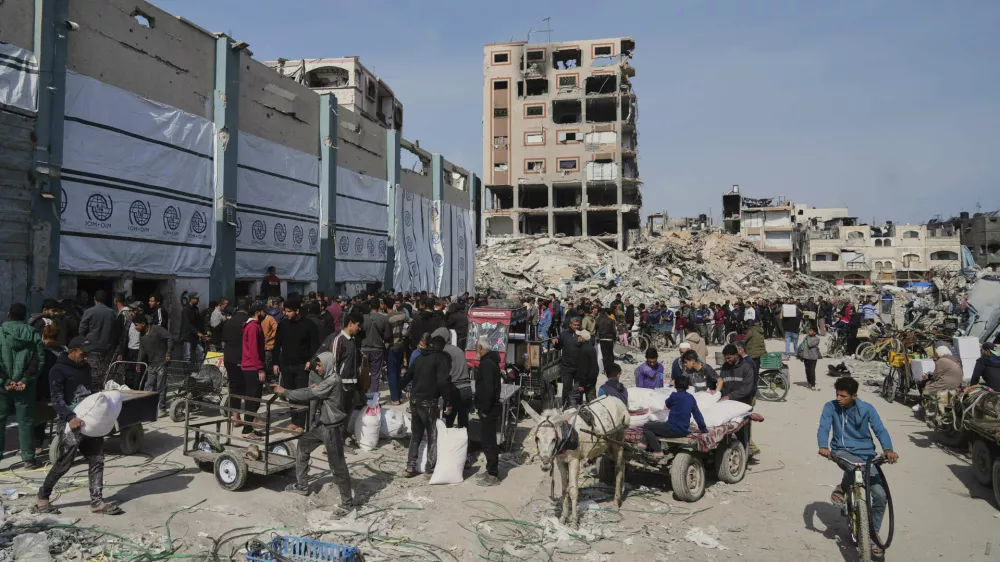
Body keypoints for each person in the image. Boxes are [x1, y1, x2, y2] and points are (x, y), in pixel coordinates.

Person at [35, 336, 124, 515]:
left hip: (89, 421)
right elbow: (57, 398)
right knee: (64, 463)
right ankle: (42, 498)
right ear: (71, 352)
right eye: (83, 354)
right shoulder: (57, 370)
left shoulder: (86, 368)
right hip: (70, 421)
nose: (86, 358)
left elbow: (89, 394)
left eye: (87, 355)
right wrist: (69, 417)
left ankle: (97, 502)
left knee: (97, 459)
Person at [817, 377, 898, 556]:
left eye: (843, 396)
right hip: (841, 451)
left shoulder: (867, 409)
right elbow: (823, 427)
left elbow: (880, 430)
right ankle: (844, 487)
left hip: (867, 455)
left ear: (855, 396)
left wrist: (888, 449)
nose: (839, 398)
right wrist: (823, 446)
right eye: (837, 394)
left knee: (880, 495)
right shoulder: (830, 407)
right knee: (854, 468)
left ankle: (873, 533)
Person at [273, 351, 355, 509]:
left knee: (338, 466)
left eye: (319, 365)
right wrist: (320, 388)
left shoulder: (332, 380)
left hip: (333, 428)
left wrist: (286, 392)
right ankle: (302, 485)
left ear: (328, 365)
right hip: (323, 425)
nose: (317, 368)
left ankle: (347, 504)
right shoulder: (330, 379)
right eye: (317, 365)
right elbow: (320, 391)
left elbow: (309, 393)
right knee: (303, 443)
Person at [1, 303, 46, 468]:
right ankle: (28, 458)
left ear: (8, 315)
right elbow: (38, 360)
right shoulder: (33, 334)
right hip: (24, 387)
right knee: (25, 421)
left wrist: (6, 381)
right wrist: (24, 380)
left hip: (3, 387)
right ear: (25, 317)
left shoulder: (1, 333)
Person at [400, 335, 452, 477]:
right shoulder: (441, 359)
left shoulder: (419, 358)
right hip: (429, 402)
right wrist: (448, 400)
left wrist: (400, 389)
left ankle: (410, 466)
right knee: (432, 434)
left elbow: (406, 376)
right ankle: (429, 469)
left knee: (416, 434)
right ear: (442, 348)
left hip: (415, 401)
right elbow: (443, 382)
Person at [272, 299, 319, 431]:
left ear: (297, 311)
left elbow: (315, 345)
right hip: (286, 365)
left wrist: (311, 360)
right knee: (290, 394)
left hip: (302, 366)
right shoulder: (283, 324)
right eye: (284, 311)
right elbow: (277, 345)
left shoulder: (309, 325)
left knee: (301, 395)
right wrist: (275, 362)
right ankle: (294, 421)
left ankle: (302, 423)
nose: (286, 314)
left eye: (288, 311)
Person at [641, 375, 707, 457]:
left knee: (647, 426)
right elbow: (697, 415)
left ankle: (656, 450)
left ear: (675, 385)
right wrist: (703, 429)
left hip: (672, 429)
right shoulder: (691, 398)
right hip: (683, 431)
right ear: (688, 386)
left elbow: (667, 404)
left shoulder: (674, 396)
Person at [474, 336, 502, 486]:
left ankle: (493, 474)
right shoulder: (490, 362)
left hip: (489, 409)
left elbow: (489, 390)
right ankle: (490, 469)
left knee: (489, 442)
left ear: (480, 348)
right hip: (489, 408)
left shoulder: (487, 364)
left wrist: (484, 409)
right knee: (487, 440)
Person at [432, 327, 472, 428]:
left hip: (454, 390)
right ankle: (464, 443)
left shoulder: (443, 352)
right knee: (463, 423)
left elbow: (443, 375)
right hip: (467, 389)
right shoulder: (458, 349)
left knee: (447, 423)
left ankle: (448, 442)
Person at [238, 303, 268, 438]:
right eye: (263, 311)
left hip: (250, 366)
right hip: (253, 367)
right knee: (253, 398)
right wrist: (260, 369)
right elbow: (254, 350)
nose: (265, 314)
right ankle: (247, 430)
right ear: (258, 312)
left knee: (254, 398)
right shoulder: (253, 327)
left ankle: (249, 427)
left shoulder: (251, 326)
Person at [134, 315, 173, 416]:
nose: (135, 327)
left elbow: (169, 337)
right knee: (148, 385)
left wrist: (168, 353)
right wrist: (139, 362)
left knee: (161, 386)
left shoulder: (157, 329)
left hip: (162, 362)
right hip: (151, 364)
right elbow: (142, 349)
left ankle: (162, 409)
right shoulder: (142, 335)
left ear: (143, 323)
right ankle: (148, 406)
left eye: (136, 325)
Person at [221, 298, 250, 421]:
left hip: (229, 357)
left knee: (234, 386)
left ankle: (235, 416)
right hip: (244, 358)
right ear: (248, 307)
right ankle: (251, 418)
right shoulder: (249, 322)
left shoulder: (228, 322)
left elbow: (224, 339)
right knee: (249, 387)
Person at [78, 291, 116, 380]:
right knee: (105, 373)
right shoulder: (112, 312)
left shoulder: (89, 311)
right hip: (107, 347)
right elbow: (116, 331)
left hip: (91, 347)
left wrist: (84, 340)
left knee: (91, 372)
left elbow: (81, 329)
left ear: (94, 299)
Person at [361, 298, 389, 395]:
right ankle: (374, 398)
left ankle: (362, 396)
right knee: (375, 375)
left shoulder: (363, 318)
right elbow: (387, 336)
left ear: (369, 306)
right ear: (379, 306)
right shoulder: (384, 318)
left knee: (362, 374)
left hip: (364, 348)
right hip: (378, 349)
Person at [556, 317, 582, 408]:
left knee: (578, 388)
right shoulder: (564, 334)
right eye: (574, 325)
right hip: (567, 366)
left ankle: (578, 405)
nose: (576, 327)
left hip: (579, 367)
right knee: (567, 388)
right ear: (570, 325)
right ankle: (565, 405)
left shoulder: (582, 334)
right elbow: (558, 346)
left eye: (578, 325)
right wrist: (555, 343)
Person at [386, 299, 407, 405]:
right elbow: (411, 321)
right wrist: (405, 335)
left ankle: (395, 399)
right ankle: (399, 395)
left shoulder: (388, 318)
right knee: (398, 372)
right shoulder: (402, 315)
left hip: (392, 346)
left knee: (392, 373)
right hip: (401, 345)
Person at [180, 293, 206, 363]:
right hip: (188, 334)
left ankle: (199, 370)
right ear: (192, 299)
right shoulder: (186, 309)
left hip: (196, 335)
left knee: (201, 352)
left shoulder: (195, 308)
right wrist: (198, 332)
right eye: (197, 299)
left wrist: (203, 332)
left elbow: (199, 321)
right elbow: (187, 324)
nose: (198, 301)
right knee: (187, 355)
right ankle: (186, 373)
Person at [575, 329, 599, 405]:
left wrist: (581, 384)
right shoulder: (591, 347)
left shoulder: (583, 350)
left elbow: (583, 368)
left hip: (586, 379)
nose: (577, 337)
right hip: (592, 377)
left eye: (579, 336)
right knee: (592, 399)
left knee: (575, 397)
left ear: (582, 338)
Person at [800, 326, 822, 391]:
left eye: (811, 331)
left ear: (814, 332)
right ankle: (809, 382)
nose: (809, 332)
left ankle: (813, 384)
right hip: (806, 356)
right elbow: (802, 346)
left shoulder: (817, 339)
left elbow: (810, 344)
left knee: (812, 370)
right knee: (807, 370)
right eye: (809, 330)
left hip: (813, 357)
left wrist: (807, 337)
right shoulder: (806, 337)